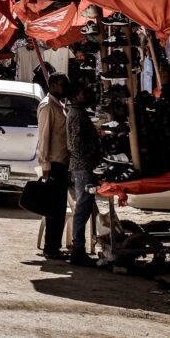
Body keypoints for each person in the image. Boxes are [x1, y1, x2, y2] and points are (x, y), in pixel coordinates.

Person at [66, 83, 102, 266]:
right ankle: (78, 249)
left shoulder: (78, 113)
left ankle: (79, 248)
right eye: (83, 93)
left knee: (84, 207)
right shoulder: (77, 115)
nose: (86, 96)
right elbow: (75, 144)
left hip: (83, 166)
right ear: (74, 96)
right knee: (82, 208)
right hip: (83, 167)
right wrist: (95, 151)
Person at [37, 73, 71, 260]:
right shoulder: (48, 107)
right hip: (54, 163)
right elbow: (44, 137)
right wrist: (45, 164)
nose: (65, 88)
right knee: (54, 208)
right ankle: (51, 248)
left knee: (58, 208)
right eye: (62, 84)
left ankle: (53, 246)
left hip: (62, 162)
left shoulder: (59, 105)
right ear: (53, 85)